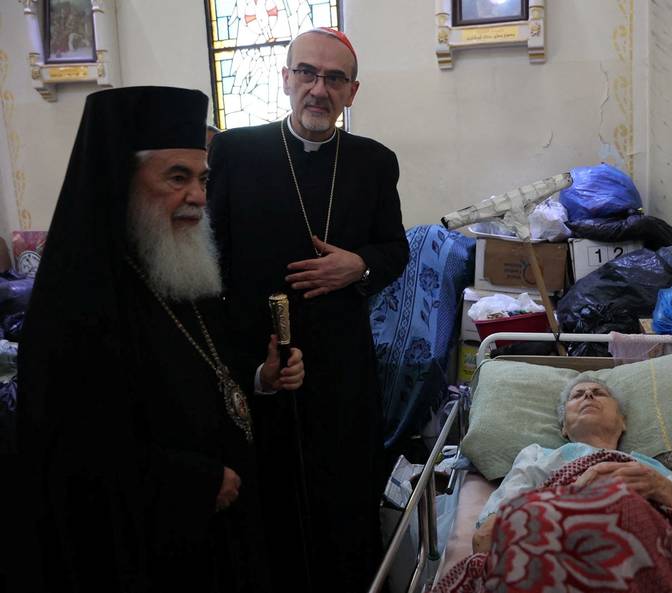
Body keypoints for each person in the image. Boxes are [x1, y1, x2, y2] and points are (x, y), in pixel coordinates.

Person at [12, 86, 304, 592]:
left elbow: (208, 372)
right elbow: (73, 447)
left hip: (219, 533)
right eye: (177, 177)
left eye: (202, 178)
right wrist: (191, 482)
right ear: (122, 182)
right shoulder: (80, 299)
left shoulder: (180, 265)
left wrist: (260, 377)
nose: (197, 196)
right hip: (144, 551)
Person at [207, 27, 409, 592]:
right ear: (286, 79)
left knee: (343, 497)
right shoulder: (238, 151)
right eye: (308, 73)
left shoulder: (374, 162)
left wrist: (359, 265)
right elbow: (210, 256)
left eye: (334, 78)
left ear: (352, 91)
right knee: (267, 499)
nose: (319, 89)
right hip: (260, 363)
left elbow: (396, 249)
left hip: (342, 363)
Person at [473, 375, 672, 553]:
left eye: (599, 392)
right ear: (564, 427)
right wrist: (568, 501)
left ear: (622, 421)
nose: (588, 395)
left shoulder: (651, 470)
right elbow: (485, 539)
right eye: (577, 395)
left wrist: (660, 488)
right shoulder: (538, 457)